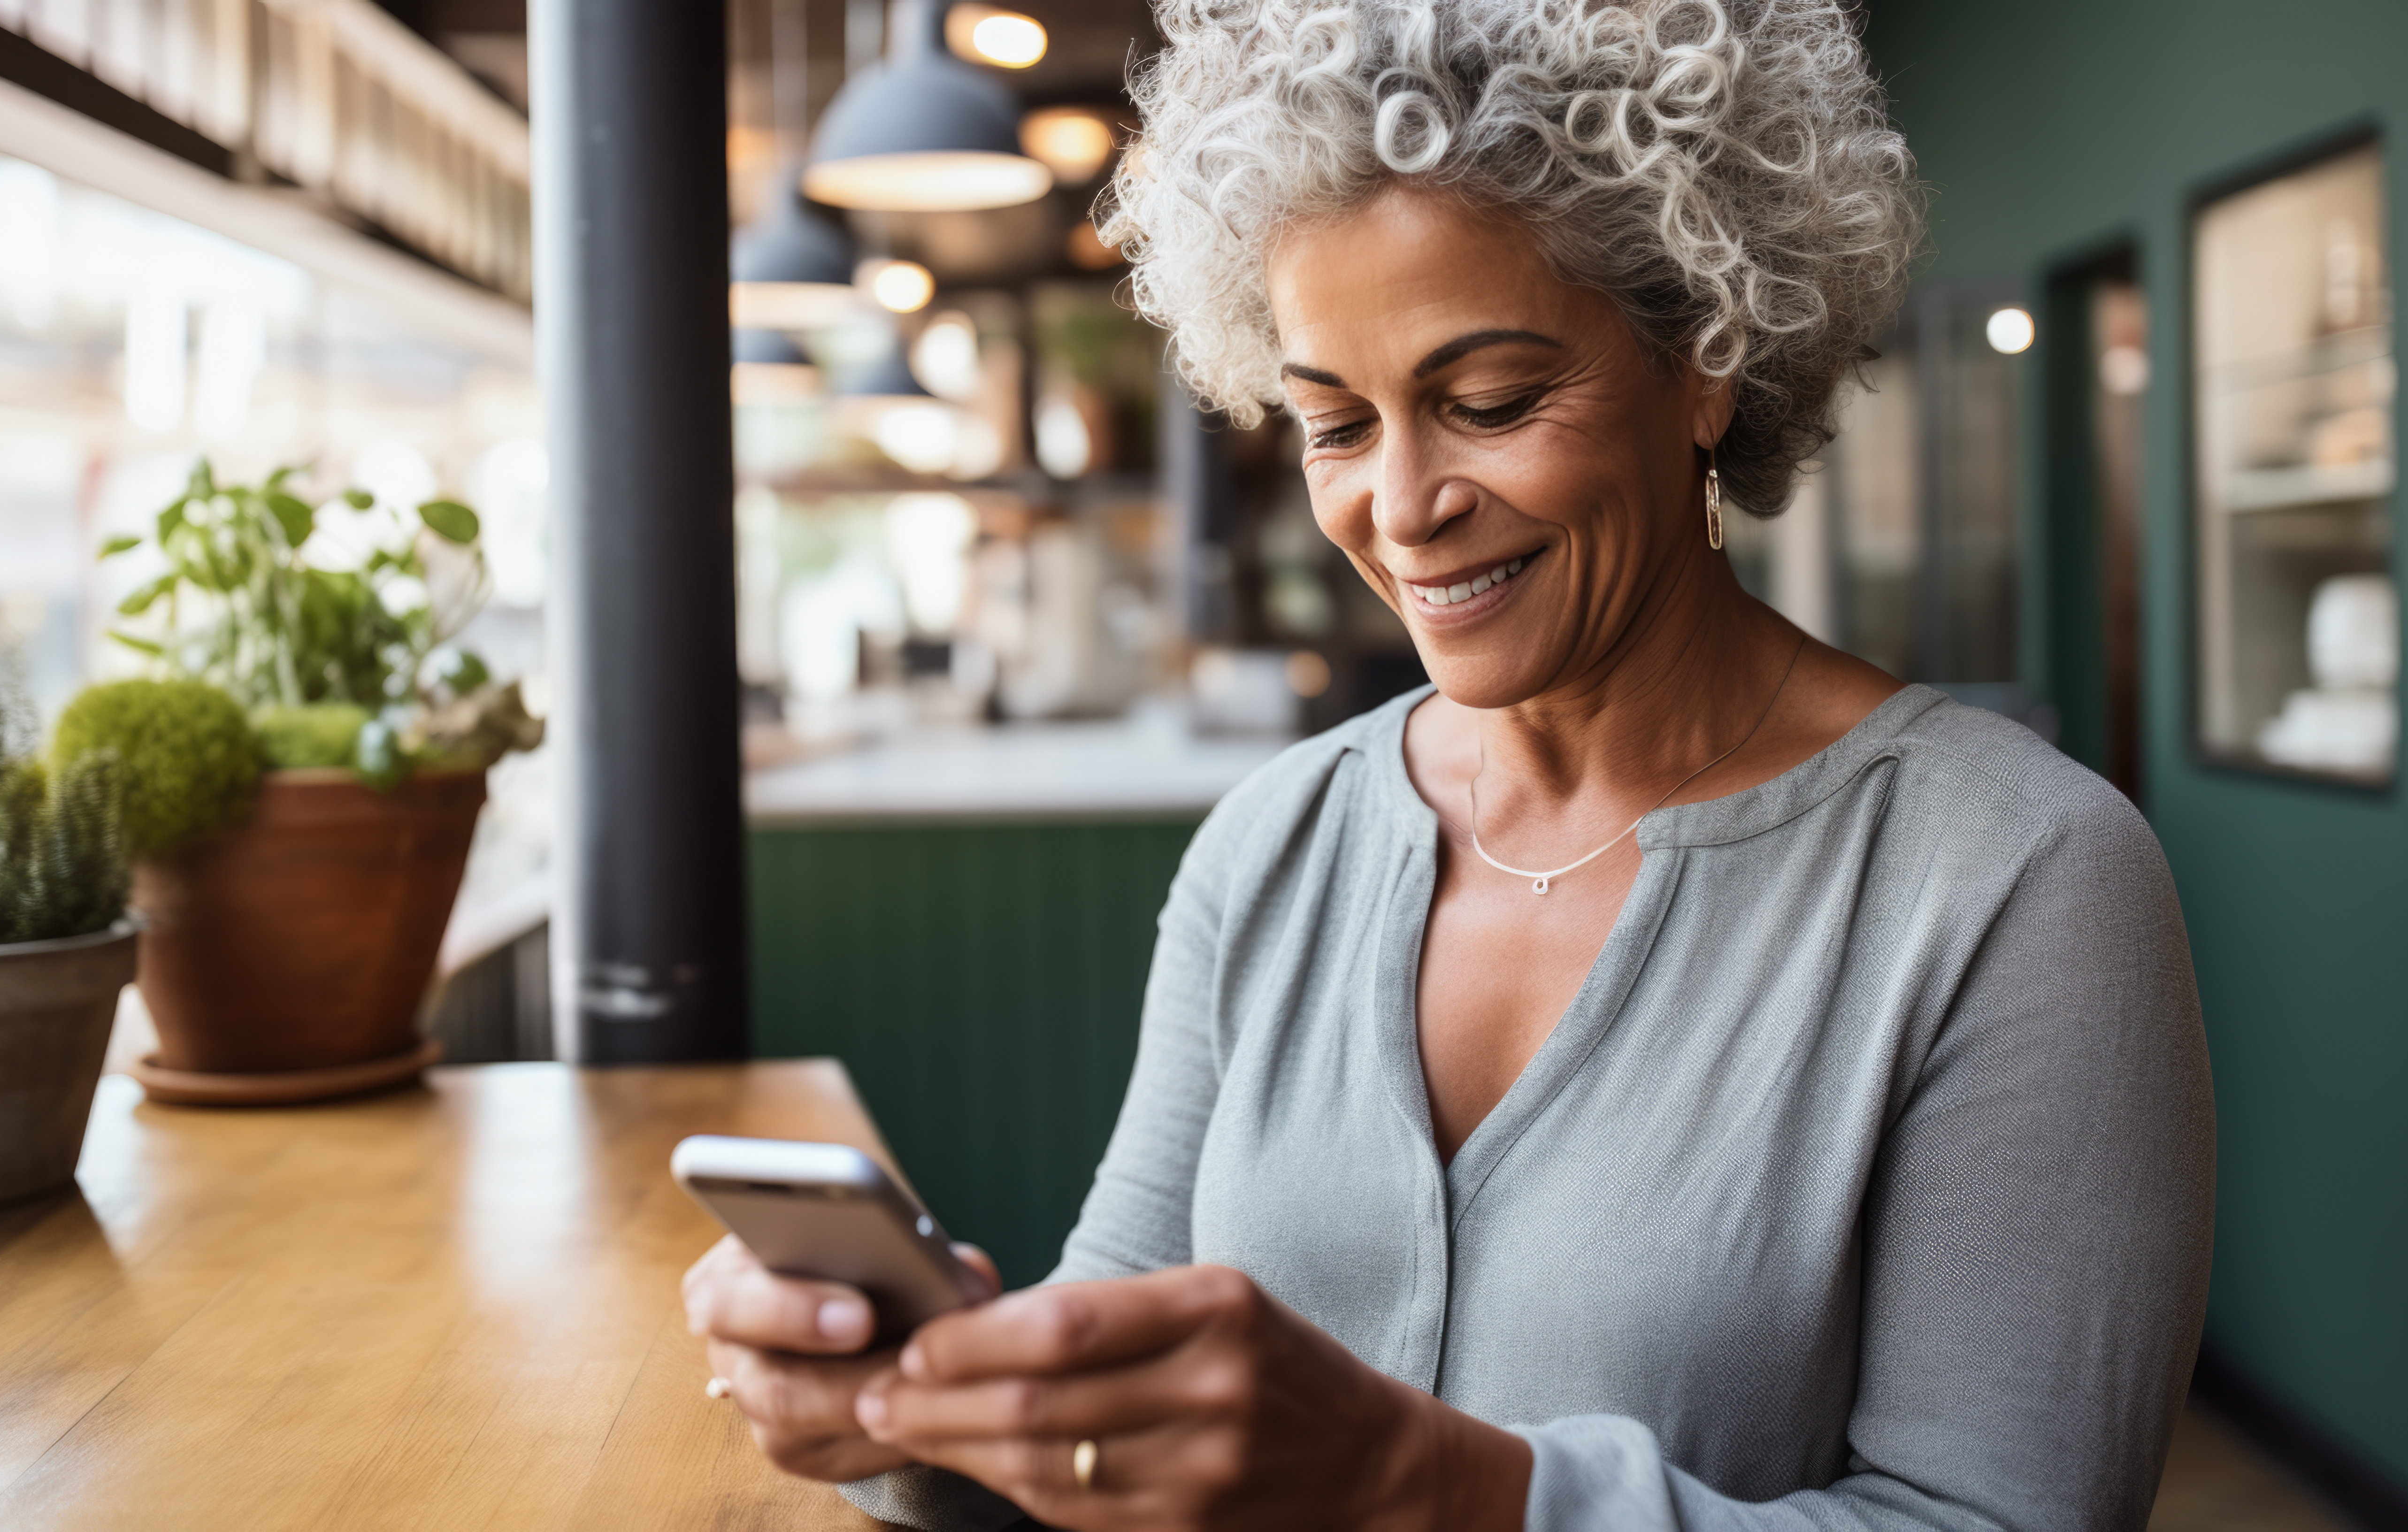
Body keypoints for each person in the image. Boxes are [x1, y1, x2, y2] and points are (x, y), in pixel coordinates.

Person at [683, 0, 2214, 1527]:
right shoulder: (1275, 844)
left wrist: (1420, 1483)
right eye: (1334, 424)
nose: (1402, 508)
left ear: (1711, 359)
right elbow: (1107, 1454)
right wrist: (909, 1406)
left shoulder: (2015, 877)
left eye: (1489, 403)